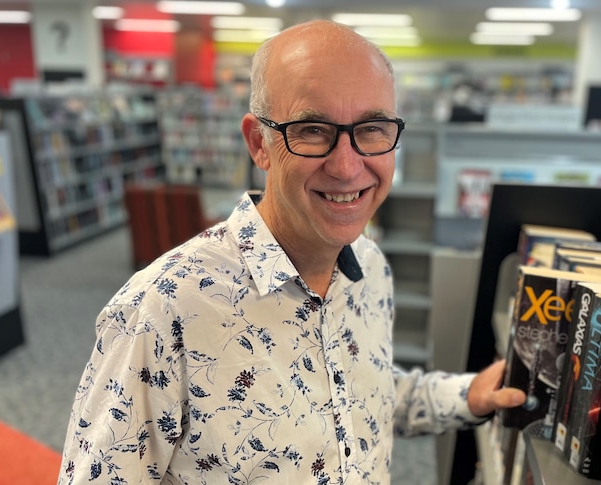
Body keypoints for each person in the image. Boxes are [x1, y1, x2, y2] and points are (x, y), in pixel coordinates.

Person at [58, 19, 526, 484]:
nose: (346, 166)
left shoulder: (369, 268)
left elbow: (363, 397)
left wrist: (468, 396)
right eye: (312, 130)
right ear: (259, 143)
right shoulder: (163, 310)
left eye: (372, 128)